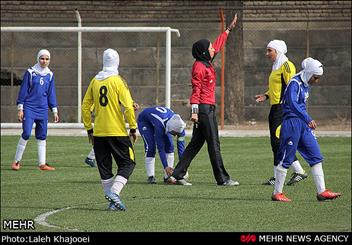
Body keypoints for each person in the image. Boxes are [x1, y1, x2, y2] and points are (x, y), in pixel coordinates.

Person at [166, 13, 239, 186]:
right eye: (210, 47)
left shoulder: (206, 60)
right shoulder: (199, 66)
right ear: (204, 51)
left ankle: (176, 175)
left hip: (208, 108)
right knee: (214, 144)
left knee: (195, 144)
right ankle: (223, 179)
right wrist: (195, 112)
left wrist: (228, 30)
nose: (213, 48)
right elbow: (196, 90)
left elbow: (218, 45)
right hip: (204, 110)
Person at [272, 57, 342, 202]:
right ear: (309, 73)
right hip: (292, 123)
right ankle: (277, 193)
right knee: (287, 158)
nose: (316, 80)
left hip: (303, 124)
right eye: (315, 77)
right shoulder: (294, 83)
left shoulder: (305, 84)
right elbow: (291, 103)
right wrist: (308, 118)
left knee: (316, 156)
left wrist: (305, 119)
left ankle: (322, 192)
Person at [82, 48, 137, 211]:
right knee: (128, 162)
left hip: (99, 133)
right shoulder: (118, 81)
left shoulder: (95, 80)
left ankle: (112, 202)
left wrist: (89, 129)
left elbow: (85, 107)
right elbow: (128, 106)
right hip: (117, 132)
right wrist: (133, 127)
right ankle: (114, 193)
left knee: (105, 167)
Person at [255, 40, 307, 186]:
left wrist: (292, 108)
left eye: (269, 50)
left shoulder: (286, 65)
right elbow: (277, 88)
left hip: (282, 108)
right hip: (275, 107)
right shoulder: (276, 65)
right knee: (276, 142)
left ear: (278, 51)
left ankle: (296, 172)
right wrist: (266, 95)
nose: (267, 54)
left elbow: (292, 88)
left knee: (278, 141)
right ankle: (286, 173)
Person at [11, 49, 59, 171]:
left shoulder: (50, 75)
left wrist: (54, 110)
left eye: (47, 59)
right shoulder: (30, 72)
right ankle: (16, 161)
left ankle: (42, 164)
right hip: (29, 108)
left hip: (42, 109)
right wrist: (20, 108)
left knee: (42, 136)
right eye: (42, 58)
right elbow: (23, 91)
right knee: (26, 133)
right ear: (38, 58)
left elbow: (51, 93)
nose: (44, 61)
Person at [137, 106, 187, 184]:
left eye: (177, 134)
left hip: (160, 120)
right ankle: (151, 176)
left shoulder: (180, 128)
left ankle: (167, 177)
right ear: (169, 128)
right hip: (145, 121)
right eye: (173, 133)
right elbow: (161, 148)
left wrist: (183, 166)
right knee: (151, 147)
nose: (174, 135)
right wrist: (165, 167)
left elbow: (181, 148)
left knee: (170, 147)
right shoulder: (160, 125)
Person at [84, 102, 140, 168]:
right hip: (111, 122)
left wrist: (132, 103)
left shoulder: (101, 93)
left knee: (105, 142)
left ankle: (90, 157)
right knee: (114, 141)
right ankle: (126, 162)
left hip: (106, 122)